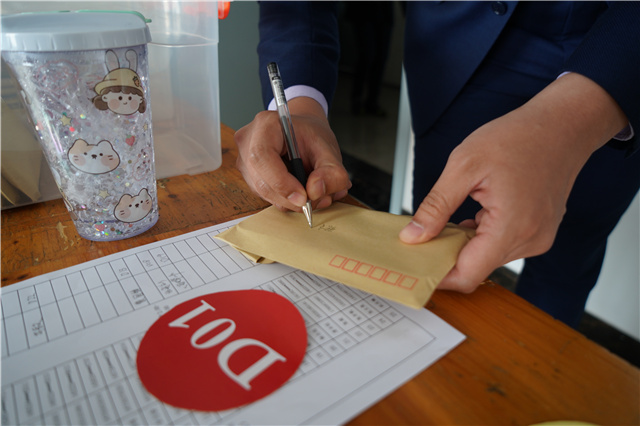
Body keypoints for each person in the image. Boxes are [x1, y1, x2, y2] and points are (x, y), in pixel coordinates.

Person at [235, 1, 640, 328]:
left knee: (565, 265)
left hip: (612, 58)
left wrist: (574, 119)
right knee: (433, 257)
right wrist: (301, 107)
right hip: (454, 57)